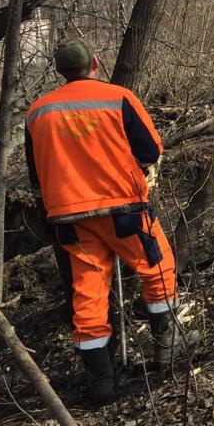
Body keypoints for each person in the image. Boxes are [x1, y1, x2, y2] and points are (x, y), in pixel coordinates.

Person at [25, 39, 197, 405]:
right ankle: (167, 349)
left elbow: (35, 178)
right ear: (96, 64)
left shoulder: (37, 112)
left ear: (60, 72)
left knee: (87, 293)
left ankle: (101, 383)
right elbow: (151, 150)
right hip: (123, 209)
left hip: (70, 217)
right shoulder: (118, 97)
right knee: (159, 269)